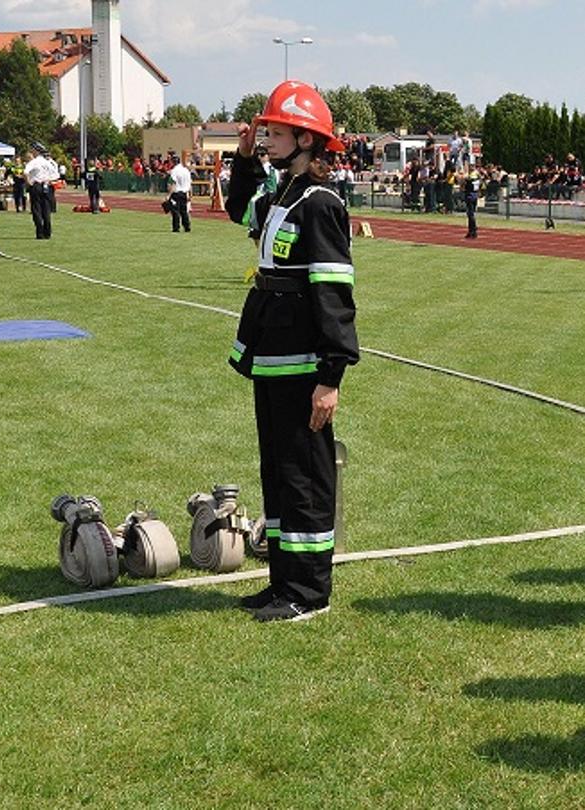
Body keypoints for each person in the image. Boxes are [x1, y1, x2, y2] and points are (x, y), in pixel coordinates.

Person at [222, 81, 360, 623]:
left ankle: (308, 593)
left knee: (304, 475)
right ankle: (282, 581)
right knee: (278, 471)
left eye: (276, 132)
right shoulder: (283, 194)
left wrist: (332, 376)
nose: (268, 139)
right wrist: (244, 158)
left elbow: (333, 292)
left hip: (305, 363)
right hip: (273, 357)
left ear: (306, 138)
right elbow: (239, 210)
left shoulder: (320, 204)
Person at [23, 142, 58, 238]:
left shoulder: (34, 162)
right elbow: (56, 175)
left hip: (36, 185)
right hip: (46, 186)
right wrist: (48, 180)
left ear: (36, 151)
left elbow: (25, 172)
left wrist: (29, 182)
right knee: (46, 209)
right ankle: (48, 232)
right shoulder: (48, 163)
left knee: (36, 209)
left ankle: (40, 232)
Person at [167, 159, 192, 232]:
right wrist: (190, 194)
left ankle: (176, 227)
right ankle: (187, 226)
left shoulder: (174, 171)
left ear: (173, 162)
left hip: (176, 193)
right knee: (184, 211)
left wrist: (169, 195)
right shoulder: (186, 170)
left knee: (175, 211)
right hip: (184, 193)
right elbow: (190, 184)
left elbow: (173, 183)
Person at [461, 166, 480, 239]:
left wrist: (464, 180)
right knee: (470, 214)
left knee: (470, 214)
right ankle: (470, 231)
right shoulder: (477, 176)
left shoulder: (470, 177)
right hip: (474, 195)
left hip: (470, 196)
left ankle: (473, 230)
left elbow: (464, 184)